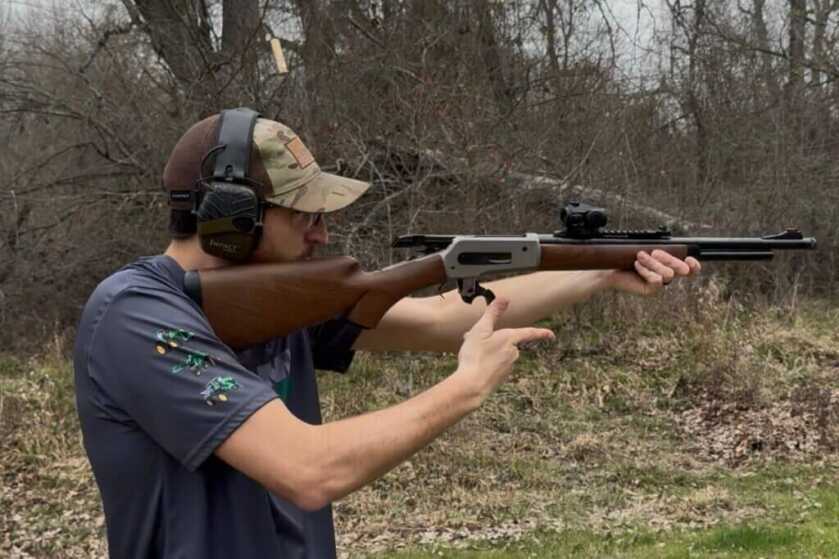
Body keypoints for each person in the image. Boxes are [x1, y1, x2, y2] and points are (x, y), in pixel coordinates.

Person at [73, 109, 700, 559]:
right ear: (232, 222)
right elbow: (306, 469)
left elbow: (441, 319)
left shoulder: (271, 294)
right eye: (305, 215)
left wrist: (601, 271)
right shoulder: (134, 316)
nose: (320, 233)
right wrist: (466, 387)